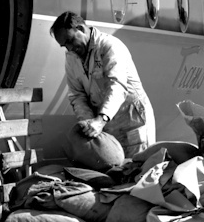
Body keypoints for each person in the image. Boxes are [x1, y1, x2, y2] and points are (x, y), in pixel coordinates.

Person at [49, 11, 155, 171]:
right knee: (115, 177)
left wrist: (100, 120)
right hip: (106, 126)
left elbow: (117, 86)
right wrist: (88, 123)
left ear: (81, 28)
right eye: (65, 45)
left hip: (132, 121)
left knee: (138, 175)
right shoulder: (71, 57)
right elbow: (77, 95)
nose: (70, 48)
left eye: (71, 40)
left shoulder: (109, 46)